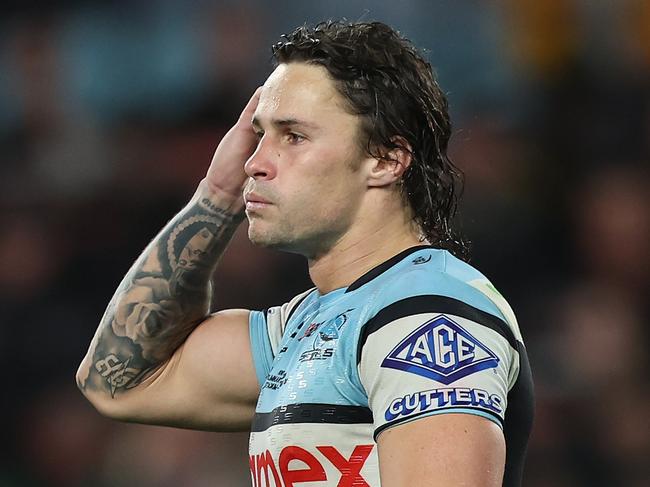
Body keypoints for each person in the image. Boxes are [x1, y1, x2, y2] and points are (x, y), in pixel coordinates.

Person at [77, 21, 534, 487]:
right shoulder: (310, 322)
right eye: (260, 135)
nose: (253, 162)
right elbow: (116, 380)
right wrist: (215, 196)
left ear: (385, 160)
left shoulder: (426, 317)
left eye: (293, 136)